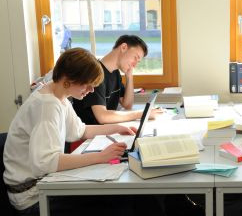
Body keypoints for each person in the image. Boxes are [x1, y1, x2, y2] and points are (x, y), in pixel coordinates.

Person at [2, 48, 148, 215]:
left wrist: (118, 128)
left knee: (120, 198)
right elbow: (46, 162)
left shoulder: (59, 96)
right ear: (69, 80)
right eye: (88, 84)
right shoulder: (47, 106)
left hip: (41, 185)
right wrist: (100, 157)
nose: (92, 90)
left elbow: (80, 130)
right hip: (33, 198)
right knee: (119, 202)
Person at [72, 35, 159, 125]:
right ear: (124, 47)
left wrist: (129, 76)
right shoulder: (95, 73)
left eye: (138, 62)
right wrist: (142, 114)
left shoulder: (115, 73)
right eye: (135, 58)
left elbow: (127, 104)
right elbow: (102, 117)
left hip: (103, 132)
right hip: (88, 135)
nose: (135, 65)